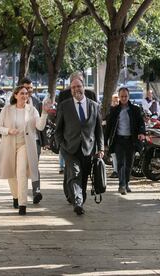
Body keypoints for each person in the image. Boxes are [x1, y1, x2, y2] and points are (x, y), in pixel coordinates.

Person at [0, 85, 49, 215]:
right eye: (22, 93)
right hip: (9, 144)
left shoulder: (32, 110)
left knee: (21, 173)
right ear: (15, 95)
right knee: (11, 174)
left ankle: (22, 204)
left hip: (25, 145)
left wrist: (44, 113)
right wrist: (8, 130)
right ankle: (15, 196)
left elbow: (40, 127)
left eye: (26, 94)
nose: (25, 96)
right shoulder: (7, 109)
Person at [55, 78, 104, 215]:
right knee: (75, 173)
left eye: (79, 86)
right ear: (71, 90)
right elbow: (58, 130)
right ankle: (77, 202)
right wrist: (61, 145)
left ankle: (80, 200)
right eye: (73, 87)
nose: (76, 89)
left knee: (83, 176)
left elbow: (98, 130)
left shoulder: (94, 105)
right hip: (69, 148)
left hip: (88, 149)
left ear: (84, 87)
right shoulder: (65, 106)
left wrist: (101, 148)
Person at [105, 87, 145, 195]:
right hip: (118, 140)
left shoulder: (135, 110)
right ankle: (121, 185)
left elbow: (141, 123)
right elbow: (109, 127)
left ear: (128, 96)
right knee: (120, 163)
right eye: (121, 96)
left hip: (131, 140)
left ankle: (126, 183)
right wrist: (104, 142)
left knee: (129, 164)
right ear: (119, 97)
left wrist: (142, 133)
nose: (123, 98)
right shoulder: (114, 110)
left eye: (125, 96)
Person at [20, 77, 44, 204]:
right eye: (26, 88)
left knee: (34, 166)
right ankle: (20, 194)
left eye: (31, 88)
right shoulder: (15, 103)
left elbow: (41, 123)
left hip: (35, 140)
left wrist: (44, 141)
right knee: (22, 167)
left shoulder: (37, 102)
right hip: (21, 141)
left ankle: (36, 191)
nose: (29, 91)